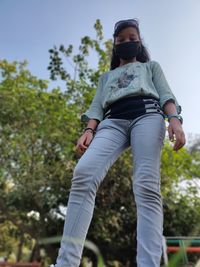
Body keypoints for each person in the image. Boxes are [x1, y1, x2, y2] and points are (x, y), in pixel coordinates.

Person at [54, 19, 186, 267]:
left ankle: (148, 263)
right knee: (83, 173)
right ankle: (65, 263)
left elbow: (166, 94)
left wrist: (175, 120)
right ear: (115, 45)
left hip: (147, 114)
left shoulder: (150, 68)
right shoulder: (106, 77)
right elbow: (96, 106)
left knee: (146, 183)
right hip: (112, 122)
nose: (127, 42)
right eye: (121, 39)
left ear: (139, 42)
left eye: (132, 37)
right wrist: (89, 129)